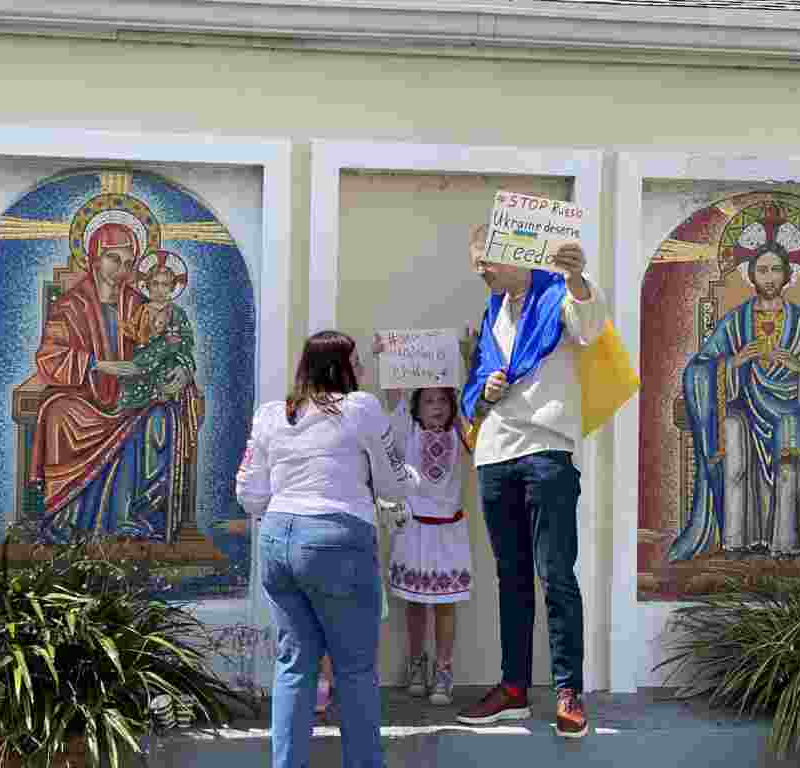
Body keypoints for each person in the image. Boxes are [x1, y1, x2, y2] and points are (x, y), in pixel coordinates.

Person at [235, 330, 421, 768]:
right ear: (339, 367)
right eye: (356, 362)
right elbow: (393, 481)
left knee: (295, 665)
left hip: (278, 538)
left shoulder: (271, 414)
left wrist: (286, 511)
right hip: (338, 538)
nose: (363, 370)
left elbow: (247, 491)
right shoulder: (360, 408)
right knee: (355, 670)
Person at [456, 224, 607, 738]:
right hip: (496, 453)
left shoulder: (556, 292)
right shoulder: (492, 310)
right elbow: (477, 380)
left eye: (485, 262)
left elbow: (589, 325)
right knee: (511, 575)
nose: (479, 271)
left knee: (556, 574)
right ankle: (514, 688)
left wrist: (579, 276)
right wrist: (486, 387)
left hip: (546, 450)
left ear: (511, 256)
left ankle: (568, 690)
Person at [669, 242, 800, 562]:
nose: (769, 277)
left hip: (791, 409)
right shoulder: (736, 321)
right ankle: (737, 540)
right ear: (751, 275)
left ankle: (786, 543)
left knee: (791, 443)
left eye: (775, 270)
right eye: (762, 270)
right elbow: (699, 368)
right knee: (732, 432)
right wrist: (734, 363)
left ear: (787, 275)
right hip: (747, 407)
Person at [30, 222, 196, 542]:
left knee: (158, 419)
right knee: (59, 414)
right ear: (94, 257)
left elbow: (174, 345)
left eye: (127, 262)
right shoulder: (69, 305)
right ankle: (68, 520)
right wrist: (99, 365)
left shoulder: (142, 304)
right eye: (113, 259)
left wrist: (184, 371)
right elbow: (50, 357)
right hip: (86, 394)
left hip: (134, 396)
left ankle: (135, 519)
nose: (120, 269)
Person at [372, 335, 472, 706]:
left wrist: (468, 358)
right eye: (428, 400)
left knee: (446, 603)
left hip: (448, 531)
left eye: (442, 400)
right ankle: (417, 663)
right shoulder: (406, 430)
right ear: (418, 405)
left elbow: (476, 407)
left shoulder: (461, 433)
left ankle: (444, 670)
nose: (436, 406)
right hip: (414, 530)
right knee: (415, 602)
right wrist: (388, 356)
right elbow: (394, 396)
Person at [117, 253, 196, 411]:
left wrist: (183, 366)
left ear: (172, 287)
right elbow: (134, 336)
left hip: (169, 372)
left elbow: (187, 345)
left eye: (165, 285)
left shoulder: (177, 313)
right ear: (147, 286)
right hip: (142, 372)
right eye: (155, 284)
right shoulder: (141, 311)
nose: (160, 289)